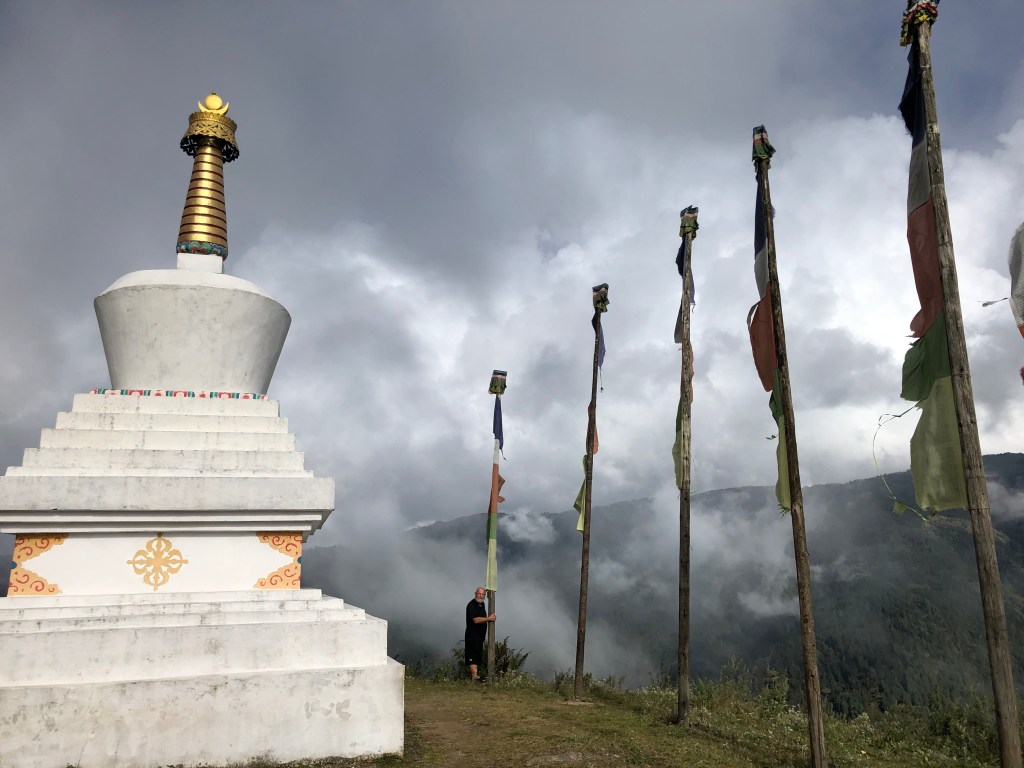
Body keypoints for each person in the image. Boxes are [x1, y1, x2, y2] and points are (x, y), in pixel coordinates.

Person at [465, 586, 495, 681]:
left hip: (479, 637)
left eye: (483, 594)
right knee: (472, 656)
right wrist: (489, 618)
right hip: (472, 636)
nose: (481, 596)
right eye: (479, 594)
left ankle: (476, 677)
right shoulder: (471, 605)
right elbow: (476, 620)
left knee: (477, 656)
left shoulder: (482, 604)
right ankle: (474, 677)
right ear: (475, 594)